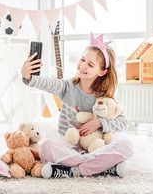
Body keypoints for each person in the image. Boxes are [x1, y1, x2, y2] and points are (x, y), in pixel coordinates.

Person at [21, 33, 134, 179]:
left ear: (102, 72)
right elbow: (47, 83)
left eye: (90, 64)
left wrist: (99, 123)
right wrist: (28, 76)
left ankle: (76, 170)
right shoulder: (67, 87)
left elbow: (123, 123)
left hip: (97, 146)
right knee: (46, 147)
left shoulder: (104, 96)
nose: (83, 65)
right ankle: (99, 168)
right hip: (69, 147)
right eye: (82, 59)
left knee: (127, 145)